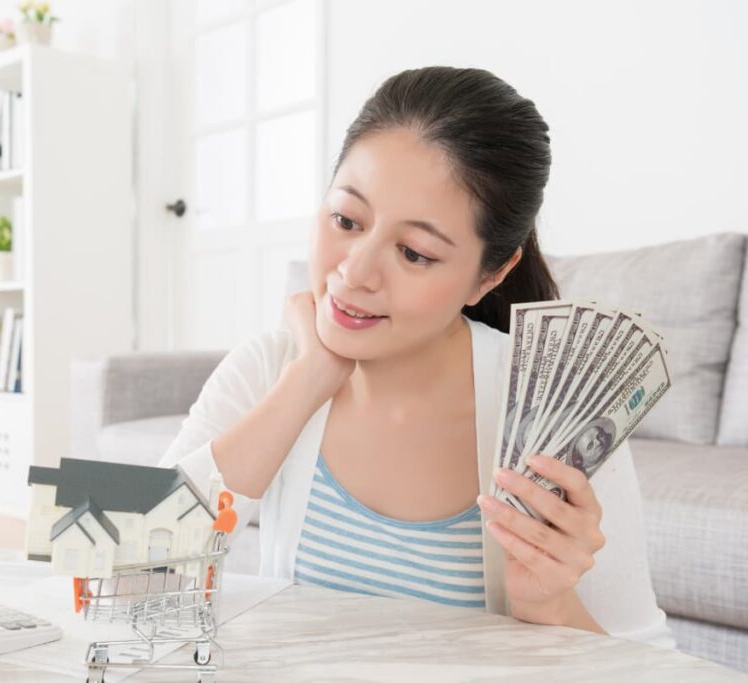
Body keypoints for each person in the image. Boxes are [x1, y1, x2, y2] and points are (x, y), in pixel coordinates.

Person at [159, 66, 674, 648]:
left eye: (414, 252)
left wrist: (550, 605)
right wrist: (306, 383)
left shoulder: (560, 420)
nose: (354, 272)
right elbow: (121, 573)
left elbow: (650, 663)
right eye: (346, 220)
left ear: (491, 274)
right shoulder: (272, 366)